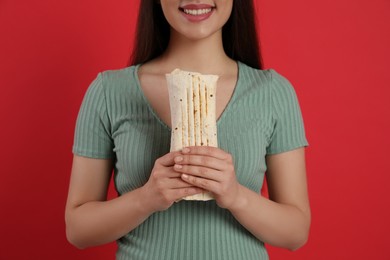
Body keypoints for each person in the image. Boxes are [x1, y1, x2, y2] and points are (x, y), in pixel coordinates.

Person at [65, 0, 311, 259]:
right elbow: (78, 230)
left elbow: (296, 233)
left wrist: (236, 196)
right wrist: (146, 199)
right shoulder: (108, 92)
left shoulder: (272, 92)